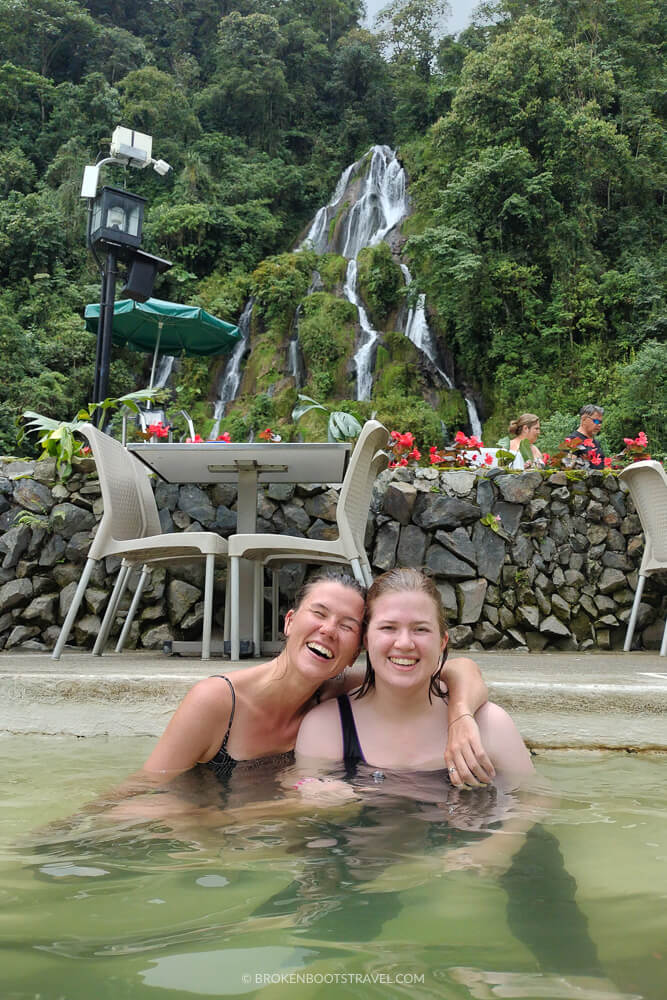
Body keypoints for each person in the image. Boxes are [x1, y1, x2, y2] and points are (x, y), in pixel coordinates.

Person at [141, 568, 494, 787]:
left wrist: (461, 715)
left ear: (358, 649)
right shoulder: (218, 701)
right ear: (290, 621)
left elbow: (458, 668)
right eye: (319, 614)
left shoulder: (338, 694)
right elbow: (148, 791)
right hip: (195, 842)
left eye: (346, 626)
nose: (328, 631)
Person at [295, 568, 533, 784]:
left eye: (420, 629)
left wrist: (503, 834)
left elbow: (531, 804)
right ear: (366, 640)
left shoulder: (489, 724)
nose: (405, 643)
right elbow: (307, 816)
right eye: (388, 628)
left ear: (442, 642)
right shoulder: (327, 727)